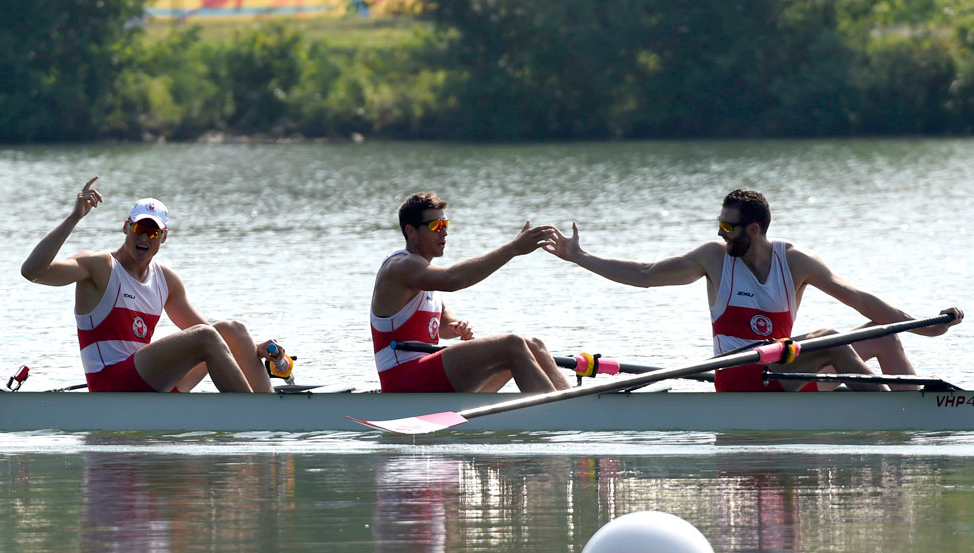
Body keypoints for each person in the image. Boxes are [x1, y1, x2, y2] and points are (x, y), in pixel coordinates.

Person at [547, 188, 964, 391]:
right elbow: (645, 273)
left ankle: (924, 406)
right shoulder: (714, 257)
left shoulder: (795, 260)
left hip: (784, 368)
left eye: (729, 226)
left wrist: (926, 328)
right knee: (831, 338)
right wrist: (582, 257)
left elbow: (861, 300)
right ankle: (888, 413)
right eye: (720, 224)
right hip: (739, 374)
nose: (720, 232)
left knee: (881, 332)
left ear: (754, 229)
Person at [20, 177, 279, 393]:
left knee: (232, 331)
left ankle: (270, 413)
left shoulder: (165, 279)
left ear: (163, 237)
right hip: (110, 386)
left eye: (153, 232)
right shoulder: (98, 267)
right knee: (207, 336)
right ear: (126, 227)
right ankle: (254, 419)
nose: (144, 236)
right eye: (139, 228)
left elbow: (215, 337)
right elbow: (33, 272)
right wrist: (74, 217)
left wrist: (252, 348)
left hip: (148, 383)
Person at [370, 191, 572, 393]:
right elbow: (453, 279)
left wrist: (458, 327)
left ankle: (570, 403)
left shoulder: (424, 276)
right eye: (436, 226)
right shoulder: (401, 266)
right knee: (513, 344)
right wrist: (513, 249)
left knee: (533, 346)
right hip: (402, 378)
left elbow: (445, 327)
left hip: (425, 374)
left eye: (445, 225)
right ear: (411, 231)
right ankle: (560, 412)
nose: (444, 232)